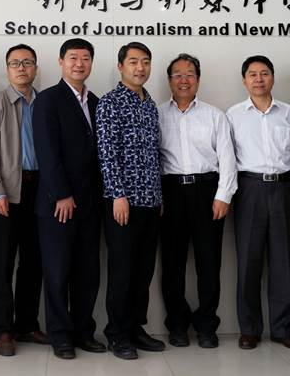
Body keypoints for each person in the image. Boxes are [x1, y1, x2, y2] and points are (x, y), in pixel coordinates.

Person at [226, 55, 290, 351]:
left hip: (284, 188)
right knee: (248, 261)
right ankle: (249, 329)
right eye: (252, 74)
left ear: (272, 77)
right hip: (249, 189)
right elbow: (229, 158)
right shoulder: (233, 115)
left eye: (264, 73)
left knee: (283, 261)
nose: (258, 79)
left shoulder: (289, 114)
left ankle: (283, 329)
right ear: (244, 80)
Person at [158, 53, 236, 349]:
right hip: (170, 193)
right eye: (177, 75)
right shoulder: (156, 114)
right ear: (169, 81)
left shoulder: (215, 115)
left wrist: (223, 195)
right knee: (172, 263)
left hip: (207, 192)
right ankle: (177, 325)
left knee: (209, 262)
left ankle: (206, 325)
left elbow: (227, 158)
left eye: (190, 74)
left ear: (198, 80)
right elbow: (151, 158)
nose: (184, 80)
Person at [33, 38, 105, 360]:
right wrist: (62, 194)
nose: (79, 63)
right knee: (58, 271)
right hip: (58, 204)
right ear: (61, 62)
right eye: (73, 57)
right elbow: (47, 152)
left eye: (85, 58)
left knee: (88, 271)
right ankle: (60, 335)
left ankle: (83, 332)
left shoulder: (97, 102)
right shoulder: (48, 100)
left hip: (90, 203)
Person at [0, 44, 49, 357]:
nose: (22, 68)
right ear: (8, 69)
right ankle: (3, 330)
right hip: (6, 192)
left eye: (27, 62)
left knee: (34, 261)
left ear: (35, 68)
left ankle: (27, 324)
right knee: (4, 262)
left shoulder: (44, 103)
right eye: (15, 63)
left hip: (40, 192)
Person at [96, 42, 164, 360]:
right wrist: (118, 194)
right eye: (134, 61)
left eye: (145, 61)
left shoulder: (150, 105)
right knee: (122, 270)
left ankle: (136, 327)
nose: (140, 67)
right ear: (121, 66)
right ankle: (117, 333)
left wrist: (159, 196)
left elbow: (156, 155)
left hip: (151, 201)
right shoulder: (110, 103)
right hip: (123, 202)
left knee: (143, 270)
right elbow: (106, 153)